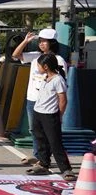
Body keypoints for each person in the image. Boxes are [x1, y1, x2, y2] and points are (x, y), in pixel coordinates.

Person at [11, 28, 68, 165]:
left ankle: (46, 158)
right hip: (32, 98)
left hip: (48, 102)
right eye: (40, 41)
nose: (41, 44)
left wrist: (59, 108)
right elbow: (15, 55)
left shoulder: (59, 60)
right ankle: (39, 156)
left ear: (52, 43)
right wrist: (25, 41)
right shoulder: (35, 56)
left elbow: (61, 83)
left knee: (49, 131)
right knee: (34, 130)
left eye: (45, 41)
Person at [28, 53, 76, 180]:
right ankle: (43, 164)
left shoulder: (58, 80)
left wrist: (59, 115)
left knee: (55, 142)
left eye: (38, 65)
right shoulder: (45, 78)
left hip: (50, 115)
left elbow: (63, 100)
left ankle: (66, 169)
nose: (37, 67)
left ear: (45, 66)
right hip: (38, 112)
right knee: (40, 139)